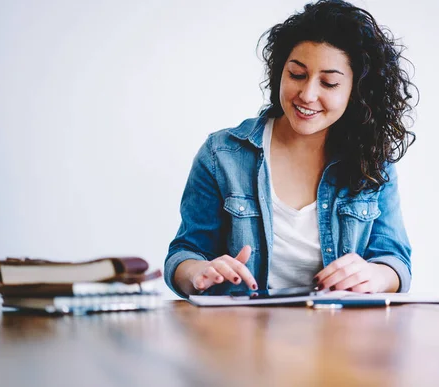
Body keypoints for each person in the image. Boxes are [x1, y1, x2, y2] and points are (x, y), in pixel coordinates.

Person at [164, 0, 417, 297]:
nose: (307, 95)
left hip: (340, 336)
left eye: (329, 83)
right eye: (297, 75)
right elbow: (184, 254)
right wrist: (197, 272)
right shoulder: (222, 154)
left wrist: (375, 275)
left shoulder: (372, 160)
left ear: (357, 92)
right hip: (240, 337)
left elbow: (395, 262)